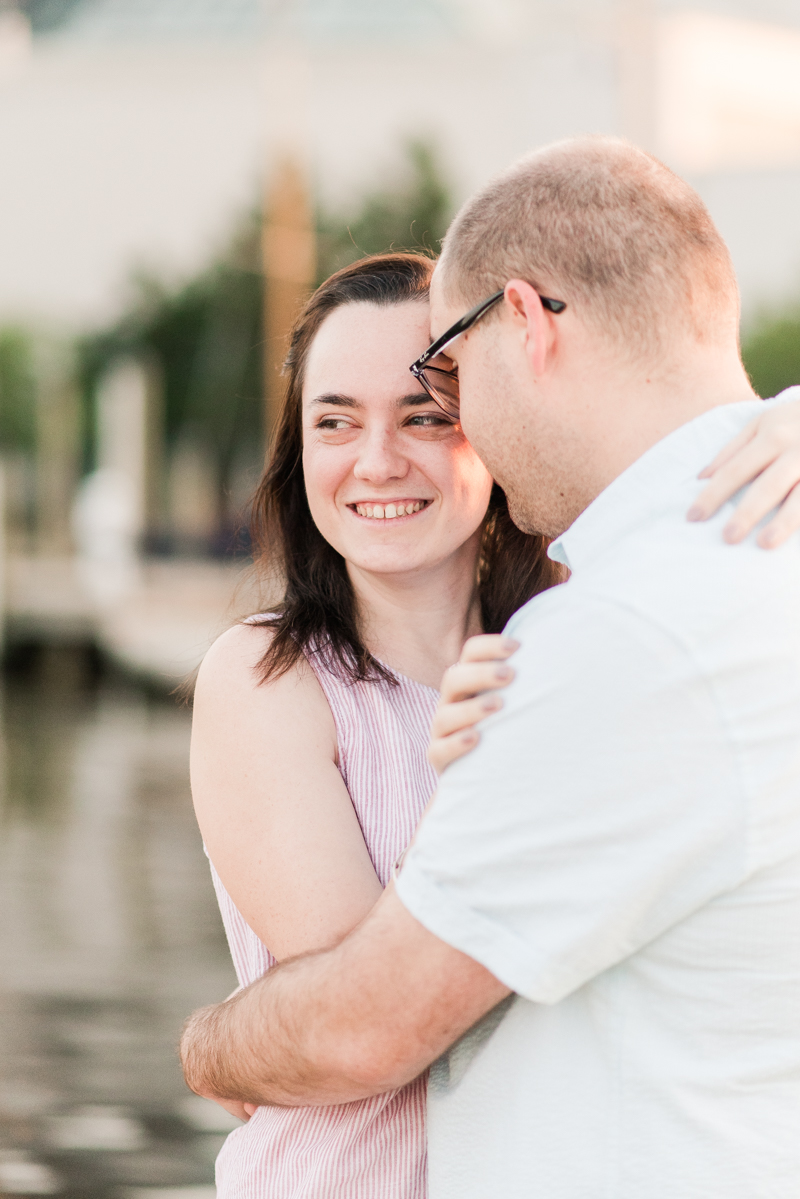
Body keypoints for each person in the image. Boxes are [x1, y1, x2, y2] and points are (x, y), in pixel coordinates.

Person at [186, 154, 800, 1199]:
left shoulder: (579, 636)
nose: (375, 458)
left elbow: (380, 1012)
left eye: (429, 406)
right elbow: (376, 1012)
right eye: (333, 420)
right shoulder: (270, 670)